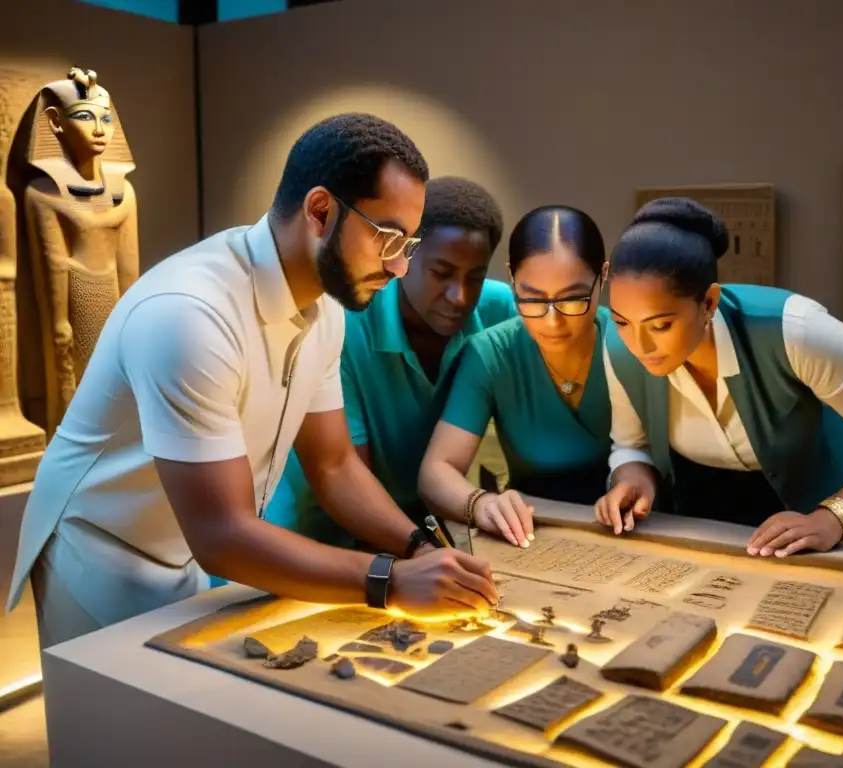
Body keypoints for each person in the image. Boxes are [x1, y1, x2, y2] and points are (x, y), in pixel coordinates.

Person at [5, 113, 497, 648]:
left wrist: (418, 549)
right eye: (387, 238)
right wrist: (390, 582)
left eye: (407, 244)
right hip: (100, 552)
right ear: (320, 211)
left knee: (181, 722)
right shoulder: (189, 314)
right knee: (116, 728)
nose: (400, 267)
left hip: (188, 548)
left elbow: (333, 465)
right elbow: (222, 535)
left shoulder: (326, 310)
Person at [594, 197, 843, 558]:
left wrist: (834, 518)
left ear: (709, 303)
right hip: (714, 520)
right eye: (622, 321)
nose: (639, 344)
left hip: (836, 512)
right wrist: (633, 478)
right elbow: (632, 444)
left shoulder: (794, 330)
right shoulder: (618, 346)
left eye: (661, 324)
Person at [264, 176, 515, 546]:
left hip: (420, 528)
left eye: (475, 277)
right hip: (316, 534)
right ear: (403, 257)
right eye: (440, 273)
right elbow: (346, 477)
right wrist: (422, 555)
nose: (459, 296)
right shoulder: (343, 322)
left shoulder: (499, 309)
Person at [419, 206, 611, 548]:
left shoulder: (632, 342)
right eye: (533, 299)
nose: (552, 322)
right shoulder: (492, 354)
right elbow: (436, 471)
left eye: (573, 299)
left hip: (644, 528)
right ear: (512, 279)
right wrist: (481, 503)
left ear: (604, 274)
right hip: (535, 535)